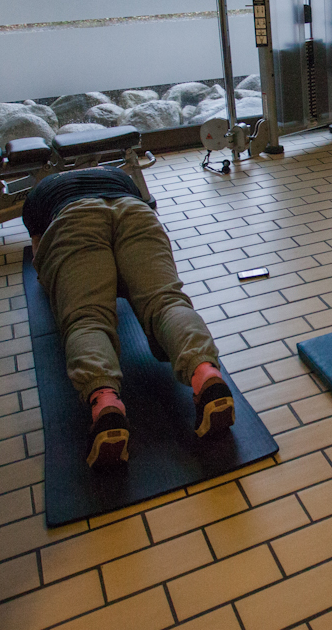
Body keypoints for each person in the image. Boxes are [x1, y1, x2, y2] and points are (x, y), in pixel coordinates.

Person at [23, 166, 232, 470]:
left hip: (72, 221)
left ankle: (105, 402)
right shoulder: (120, 175)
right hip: (136, 213)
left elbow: (39, 255)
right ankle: (205, 373)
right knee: (166, 301)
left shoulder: (38, 194)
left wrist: (60, 283)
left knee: (87, 318)